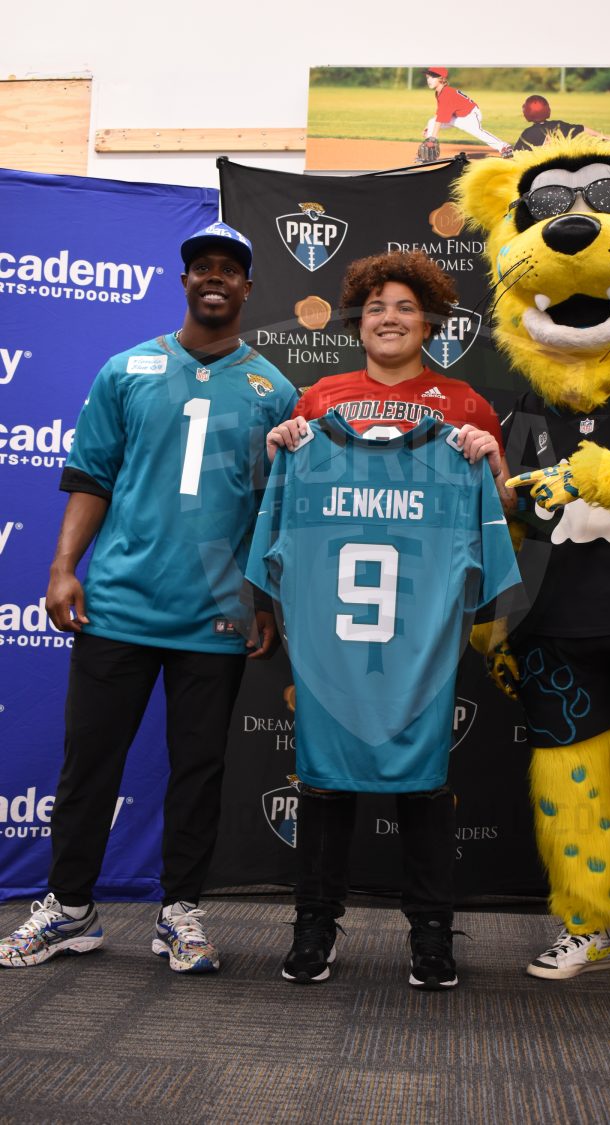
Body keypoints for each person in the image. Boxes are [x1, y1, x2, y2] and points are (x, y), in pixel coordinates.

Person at [0, 222, 297, 973]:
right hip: (120, 604)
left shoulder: (274, 389)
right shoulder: (126, 368)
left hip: (216, 613)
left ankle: (180, 912)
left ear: (248, 287)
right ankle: (69, 907)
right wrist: (64, 566)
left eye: (229, 268)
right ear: (185, 280)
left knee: (198, 769)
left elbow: (274, 511)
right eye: (202, 266)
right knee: (89, 762)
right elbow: (91, 478)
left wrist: (263, 599)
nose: (215, 278)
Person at [261, 249, 517, 990]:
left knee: (423, 783)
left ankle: (431, 936)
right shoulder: (318, 398)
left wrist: (493, 460)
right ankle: (315, 925)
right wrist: (281, 449)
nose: (390, 319)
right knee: (323, 780)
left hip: (420, 628)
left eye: (405, 307)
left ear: (429, 320)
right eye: (376, 308)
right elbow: (282, 506)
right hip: (334, 631)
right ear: (359, 321)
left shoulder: (466, 404)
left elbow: (499, 512)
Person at [423, 67, 513, 157]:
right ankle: (431, 152)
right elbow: (440, 112)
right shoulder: (439, 92)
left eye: (432, 77)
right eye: (427, 78)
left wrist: (433, 137)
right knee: (432, 122)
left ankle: (504, 147)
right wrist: (429, 127)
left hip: (470, 114)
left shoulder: (447, 93)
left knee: (477, 132)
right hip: (458, 116)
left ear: (441, 79)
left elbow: (441, 117)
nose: (429, 80)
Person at [513, 94, 607, 151]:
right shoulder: (558, 125)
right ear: (547, 110)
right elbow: (582, 129)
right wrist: (605, 138)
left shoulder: (528, 133)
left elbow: (516, 154)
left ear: (527, 113)